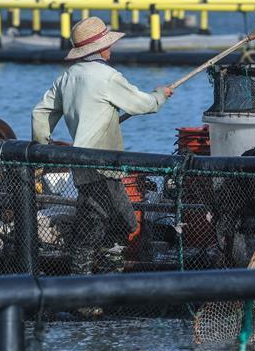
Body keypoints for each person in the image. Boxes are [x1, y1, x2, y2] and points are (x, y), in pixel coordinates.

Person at [32, 16, 173, 280]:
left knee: (92, 219)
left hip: (80, 162)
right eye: (109, 43)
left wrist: (43, 147)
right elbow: (143, 105)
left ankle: (86, 285)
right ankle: (106, 284)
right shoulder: (107, 77)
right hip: (104, 165)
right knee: (124, 222)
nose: (111, 48)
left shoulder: (67, 77)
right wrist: (160, 94)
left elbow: (41, 114)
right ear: (100, 48)